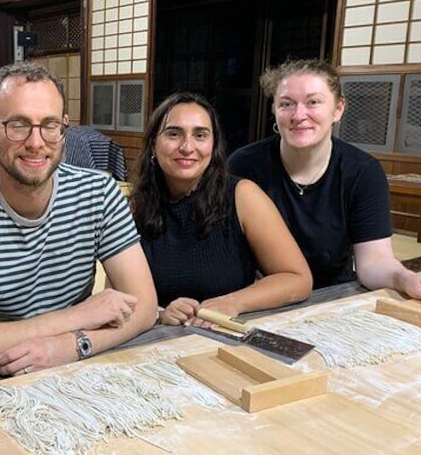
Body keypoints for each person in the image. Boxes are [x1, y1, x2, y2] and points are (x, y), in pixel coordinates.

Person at [0, 62, 157, 377]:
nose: (35, 142)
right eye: (17, 125)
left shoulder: (99, 193)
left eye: (49, 125)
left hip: (78, 369)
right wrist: (77, 318)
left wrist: (72, 345)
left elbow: (144, 307)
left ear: (63, 128)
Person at [229, 59, 421, 311]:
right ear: (275, 111)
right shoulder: (245, 165)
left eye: (313, 102)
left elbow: (374, 261)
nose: (299, 115)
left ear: (338, 109)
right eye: (286, 104)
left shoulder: (362, 172)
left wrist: (407, 278)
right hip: (258, 298)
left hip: (333, 297)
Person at [131, 92, 312, 326]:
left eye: (200, 135)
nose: (187, 147)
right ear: (153, 145)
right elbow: (121, 295)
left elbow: (297, 279)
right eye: (174, 134)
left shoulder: (243, 195)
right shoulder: (135, 207)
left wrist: (234, 302)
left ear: (213, 145)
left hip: (229, 335)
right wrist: (158, 314)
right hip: (159, 344)